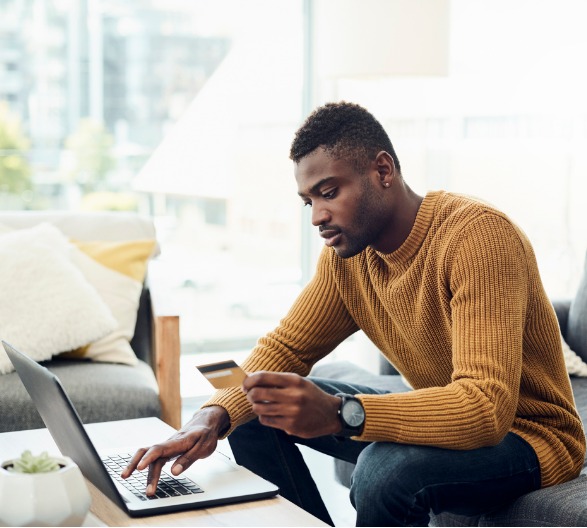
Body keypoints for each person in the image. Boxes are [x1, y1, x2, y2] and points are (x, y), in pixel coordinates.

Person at [122, 102, 585, 526]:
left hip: (531, 435)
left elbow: (485, 409)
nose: (317, 216)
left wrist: (342, 413)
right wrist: (211, 415)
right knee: (262, 405)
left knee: (384, 471)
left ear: (382, 169)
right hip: (451, 411)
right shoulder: (349, 259)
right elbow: (286, 347)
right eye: (309, 201)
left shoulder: (477, 239)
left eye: (328, 192)